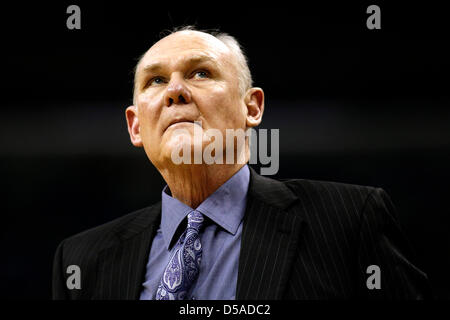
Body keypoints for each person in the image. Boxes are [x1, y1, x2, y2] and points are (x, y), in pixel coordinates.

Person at [52, 26, 431, 300]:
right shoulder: (83, 260)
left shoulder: (349, 220)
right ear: (136, 127)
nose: (175, 91)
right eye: (156, 80)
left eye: (201, 73)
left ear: (252, 107)